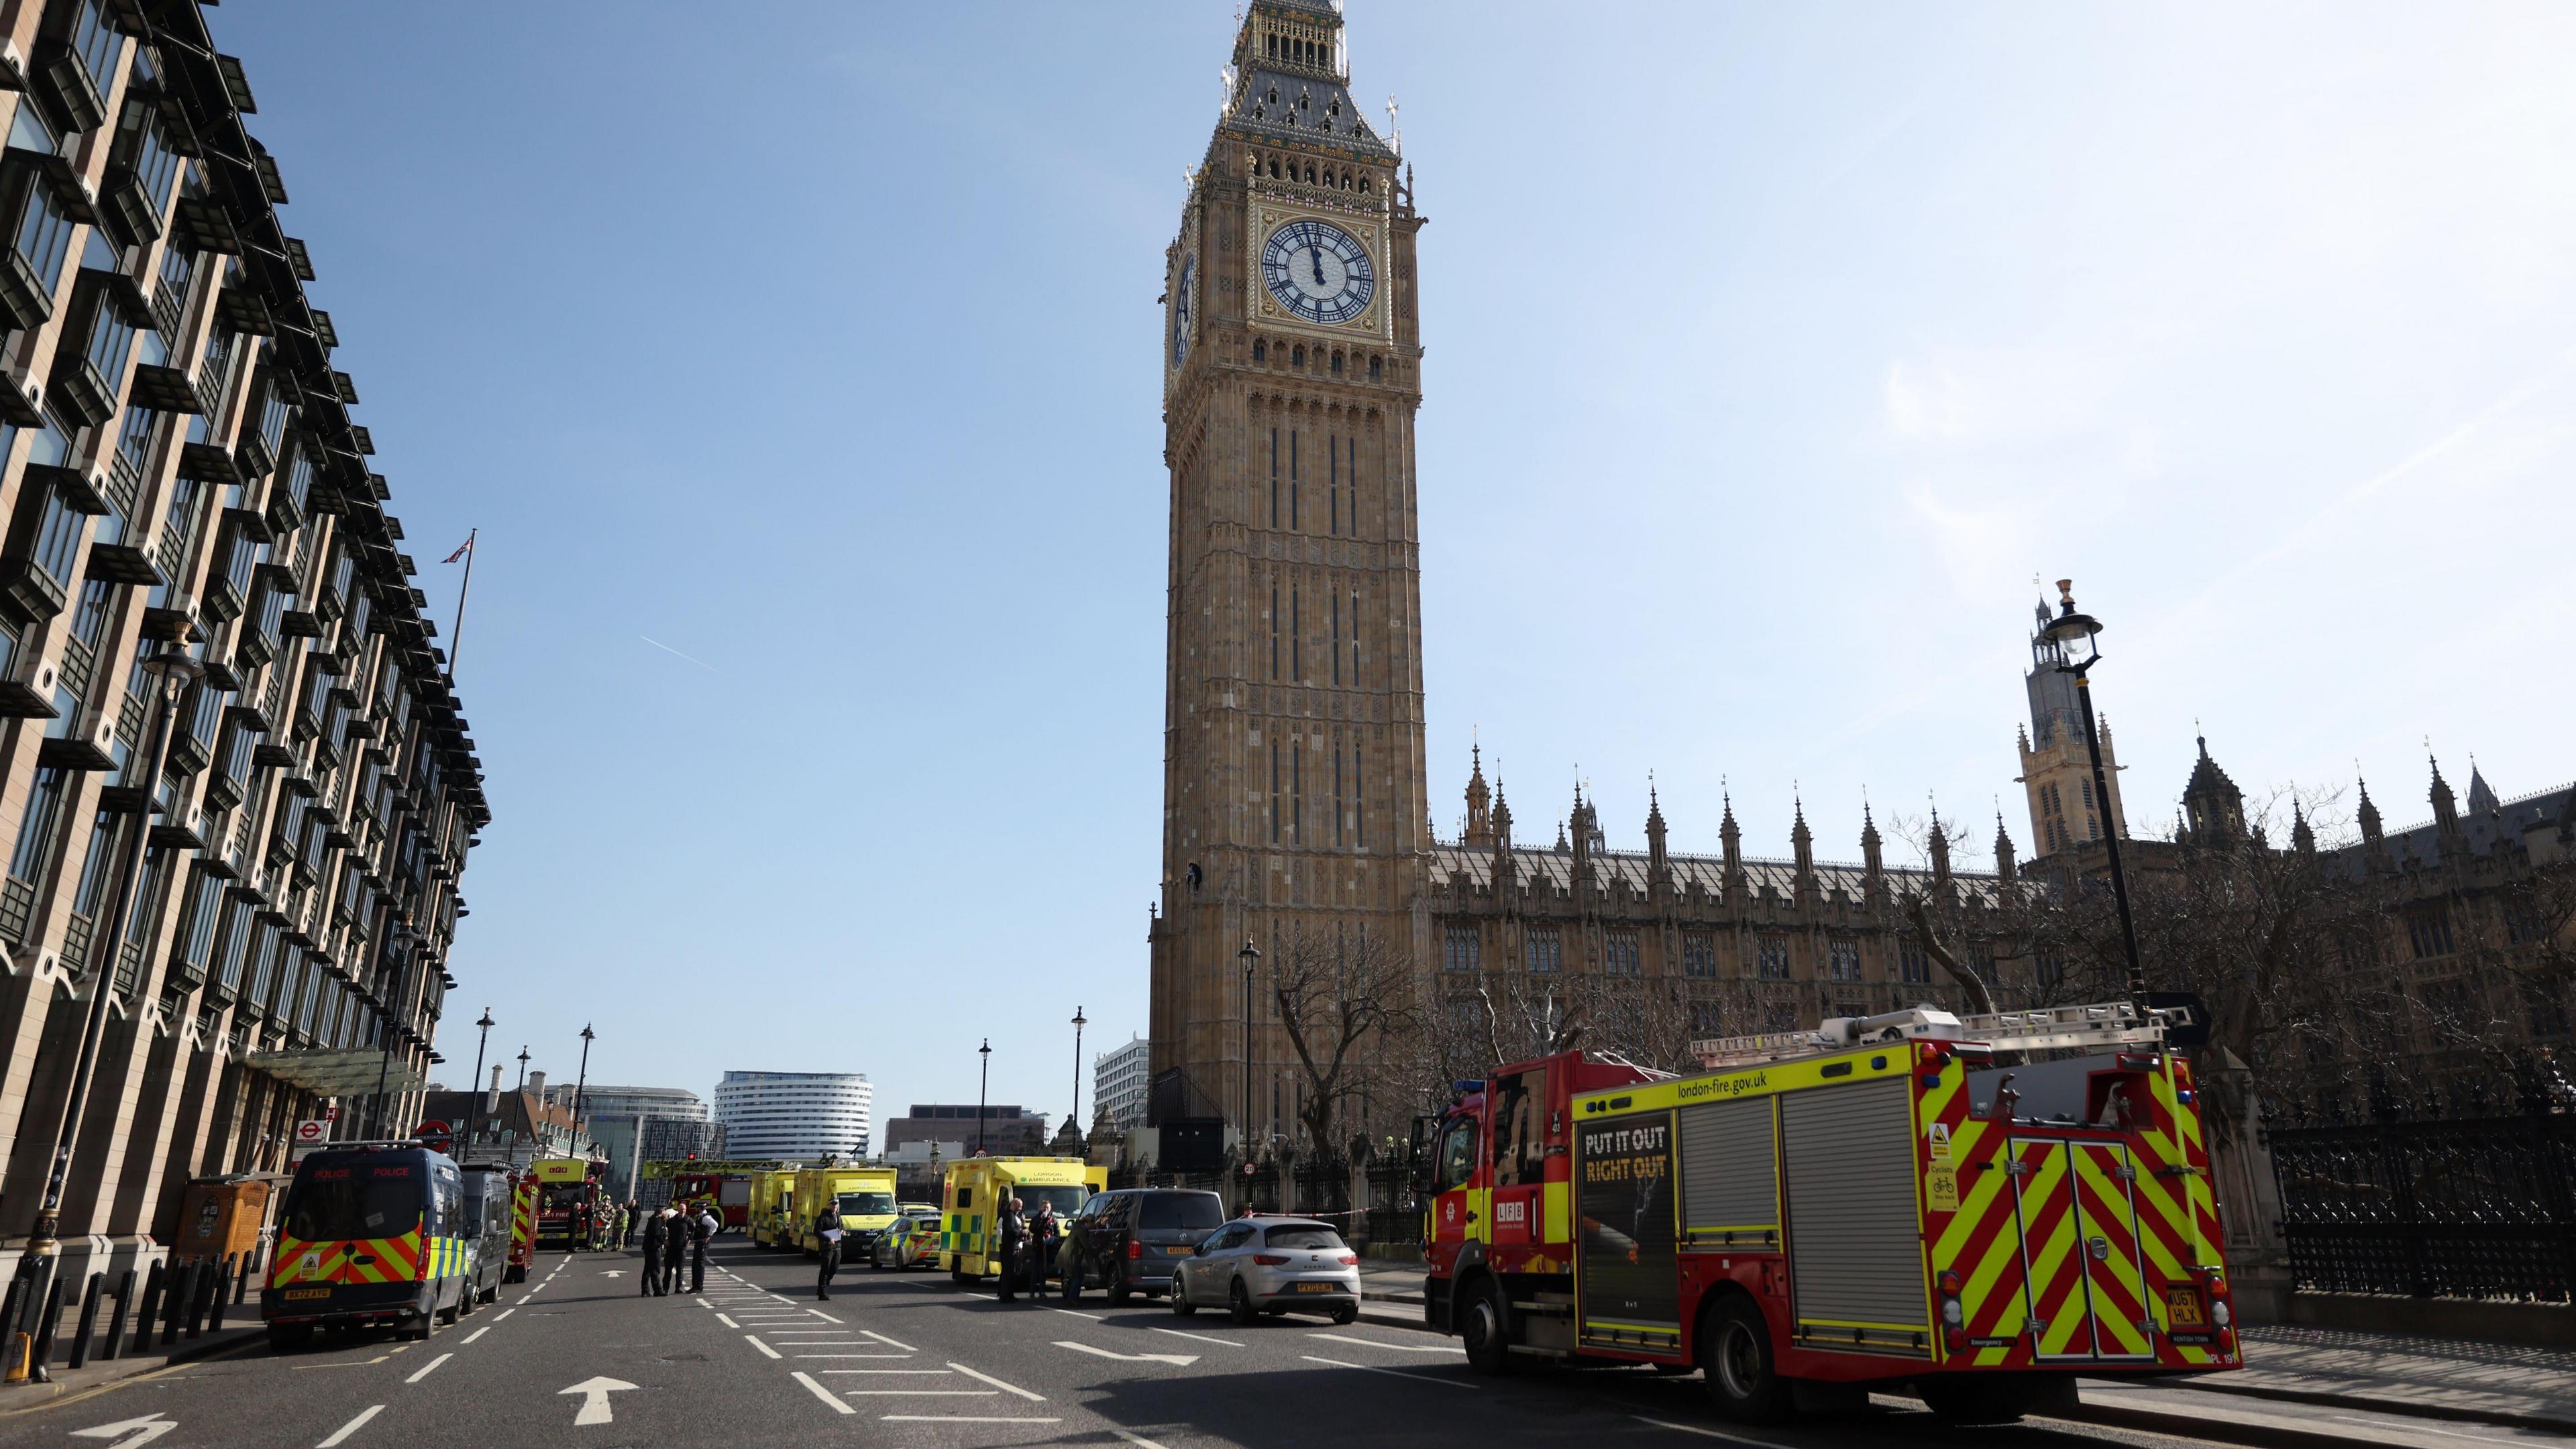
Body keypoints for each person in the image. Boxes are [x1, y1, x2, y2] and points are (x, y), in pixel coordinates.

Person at [994, 1197, 1027, 1302]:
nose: (1020, 1209)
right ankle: (1006, 1296)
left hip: (1010, 1248)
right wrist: (1021, 1233)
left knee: (1010, 1273)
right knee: (1008, 1273)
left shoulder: (1011, 1216)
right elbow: (1011, 1230)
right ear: (1015, 1206)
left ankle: (1008, 1295)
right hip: (1009, 1249)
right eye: (1019, 1207)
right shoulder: (1008, 1216)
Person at [1027, 1200, 1061, 1297]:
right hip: (1037, 1246)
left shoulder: (1054, 1219)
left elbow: (1057, 1233)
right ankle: (1032, 1292)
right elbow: (1032, 1229)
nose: (1045, 1209)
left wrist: (1052, 1239)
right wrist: (1040, 1220)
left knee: (1044, 1270)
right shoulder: (1037, 1217)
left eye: (1047, 1208)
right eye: (1044, 1207)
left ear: (1051, 1209)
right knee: (1035, 1270)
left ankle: (1042, 1291)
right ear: (1041, 1208)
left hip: (1047, 1248)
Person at [814, 1200, 844, 1301]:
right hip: (827, 1246)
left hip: (837, 1245)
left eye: (836, 1204)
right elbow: (817, 1231)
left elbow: (840, 1227)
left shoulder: (838, 1215)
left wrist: (842, 1231)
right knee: (825, 1268)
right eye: (833, 1204)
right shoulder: (823, 1217)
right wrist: (828, 1239)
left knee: (834, 1268)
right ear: (829, 1205)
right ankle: (822, 1292)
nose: (835, 1206)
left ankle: (824, 1286)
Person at [639, 1203, 670, 1296]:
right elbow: (657, 1233)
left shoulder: (654, 1219)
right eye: (665, 1211)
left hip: (650, 1248)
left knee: (648, 1269)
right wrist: (665, 1231)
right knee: (655, 1270)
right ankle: (658, 1290)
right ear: (662, 1211)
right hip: (654, 1248)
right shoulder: (657, 1221)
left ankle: (645, 1290)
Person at [690, 1200, 718, 1293]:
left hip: (703, 1243)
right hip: (699, 1242)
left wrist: (708, 1236)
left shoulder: (706, 1218)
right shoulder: (701, 1217)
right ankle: (695, 1285)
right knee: (695, 1264)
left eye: (696, 1208)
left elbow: (715, 1225)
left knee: (699, 1265)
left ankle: (698, 1286)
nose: (695, 1209)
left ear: (699, 1208)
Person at [660, 1205, 687, 1298]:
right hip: (671, 1248)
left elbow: (693, 1230)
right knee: (668, 1269)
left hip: (681, 1249)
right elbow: (663, 1230)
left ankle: (678, 1288)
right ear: (678, 1210)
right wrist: (665, 1240)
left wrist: (690, 1238)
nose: (682, 1211)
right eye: (681, 1210)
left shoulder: (688, 1221)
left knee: (680, 1269)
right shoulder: (672, 1221)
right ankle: (665, 1288)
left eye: (684, 1210)